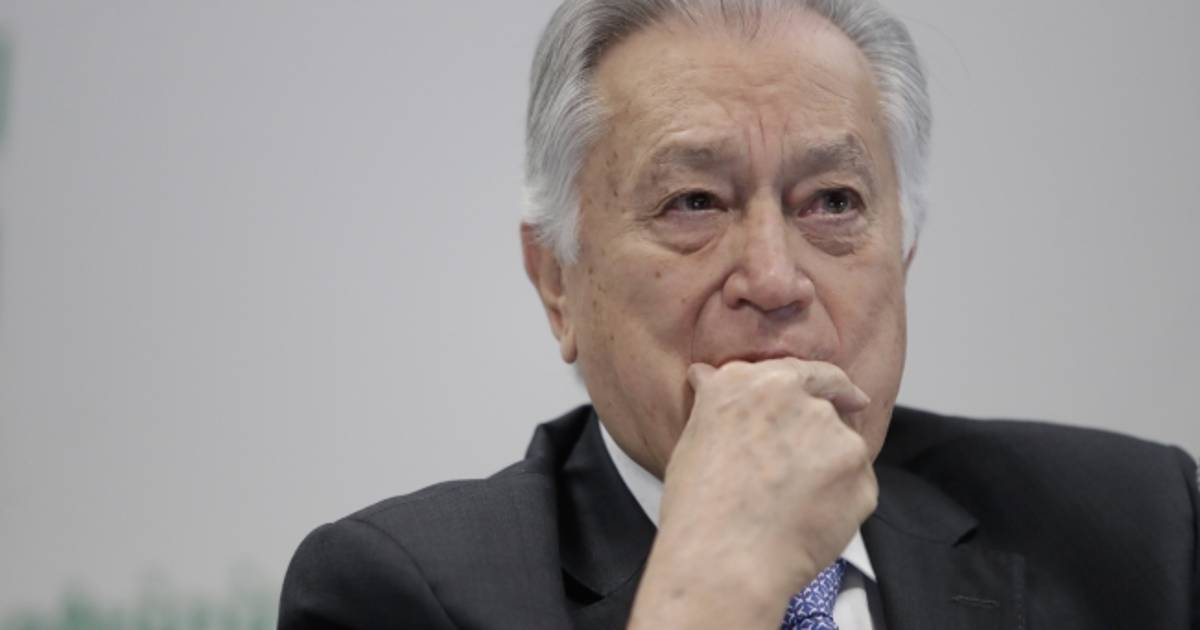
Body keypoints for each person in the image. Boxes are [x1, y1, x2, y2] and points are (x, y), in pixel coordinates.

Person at [278, 0, 1199, 628]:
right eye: (694, 203)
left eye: (832, 202)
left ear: (904, 256)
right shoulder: (402, 593)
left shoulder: (1139, 532)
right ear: (557, 281)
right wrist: (713, 589)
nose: (773, 278)